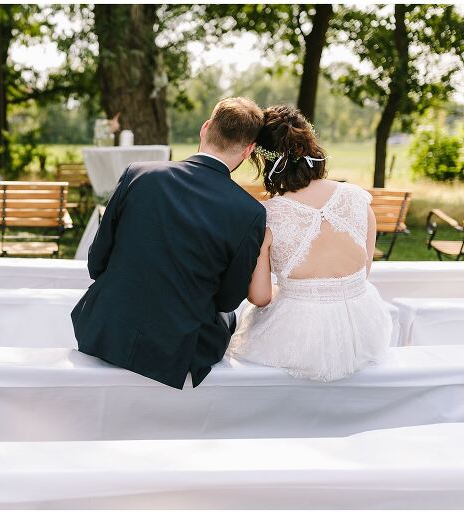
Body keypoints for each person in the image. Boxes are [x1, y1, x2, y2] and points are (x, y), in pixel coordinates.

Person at [71, 97, 266, 390]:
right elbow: (227, 300)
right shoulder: (249, 212)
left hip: (106, 325)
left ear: (206, 128)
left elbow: (97, 261)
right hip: (176, 347)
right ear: (249, 149)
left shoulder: (138, 174)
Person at [227, 105, 392, 381]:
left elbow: (260, 297)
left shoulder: (267, 216)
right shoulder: (358, 199)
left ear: (264, 159)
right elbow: (362, 274)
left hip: (296, 332)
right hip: (360, 328)